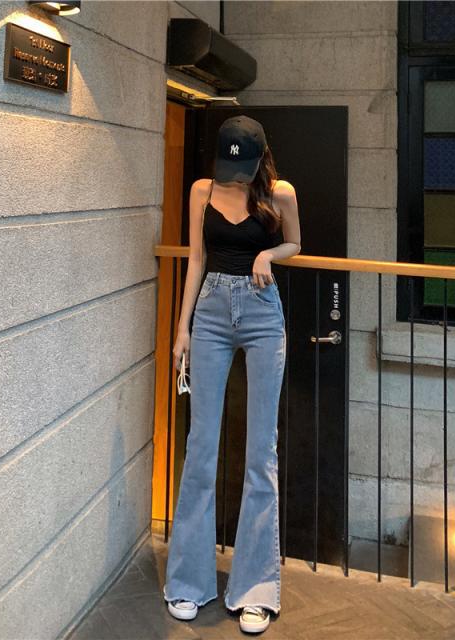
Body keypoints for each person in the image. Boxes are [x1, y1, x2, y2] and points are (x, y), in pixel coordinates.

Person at [162, 115, 301, 635]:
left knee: (261, 451)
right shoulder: (202, 190)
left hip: (263, 313)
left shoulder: (280, 192)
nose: (235, 174)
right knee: (201, 445)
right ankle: (188, 581)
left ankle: (255, 590)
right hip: (212, 314)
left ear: (260, 156)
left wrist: (268, 252)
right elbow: (196, 260)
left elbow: (296, 243)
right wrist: (183, 329)